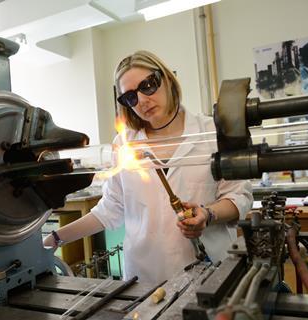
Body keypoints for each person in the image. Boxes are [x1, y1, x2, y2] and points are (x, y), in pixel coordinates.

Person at [44, 50, 253, 285]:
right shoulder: (124, 144)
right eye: (130, 97)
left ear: (167, 79)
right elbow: (109, 211)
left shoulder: (211, 134)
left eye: (148, 85)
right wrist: (53, 239)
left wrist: (208, 214)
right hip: (144, 278)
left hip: (210, 273)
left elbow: (239, 197)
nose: (142, 100)